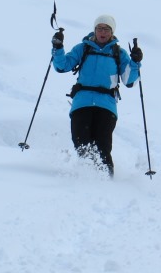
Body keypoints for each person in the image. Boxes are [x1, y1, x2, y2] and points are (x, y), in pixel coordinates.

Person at [51, 14, 142, 176]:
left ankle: (106, 181)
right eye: (99, 28)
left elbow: (129, 81)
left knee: (103, 146)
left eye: (106, 29)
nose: (102, 32)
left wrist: (135, 63)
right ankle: (86, 177)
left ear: (112, 32)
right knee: (81, 142)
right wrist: (58, 48)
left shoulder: (118, 53)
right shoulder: (83, 48)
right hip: (82, 102)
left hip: (106, 105)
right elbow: (62, 66)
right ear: (94, 30)